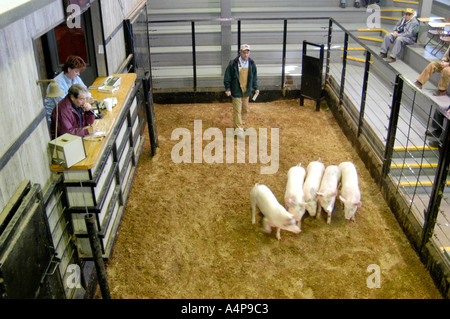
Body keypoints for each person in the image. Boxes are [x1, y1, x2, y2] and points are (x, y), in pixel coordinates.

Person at [44, 55, 93, 124]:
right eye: (76, 71)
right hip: (58, 118)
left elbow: (85, 92)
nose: (78, 74)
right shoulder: (57, 83)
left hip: (72, 113)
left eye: (79, 72)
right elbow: (65, 104)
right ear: (69, 69)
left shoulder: (76, 78)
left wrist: (89, 98)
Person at [224, 44, 259, 133]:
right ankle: (238, 130)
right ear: (240, 52)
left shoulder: (251, 64)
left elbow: (254, 77)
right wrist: (228, 88)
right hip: (236, 90)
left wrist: (256, 88)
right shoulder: (233, 64)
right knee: (237, 111)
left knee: (245, 110)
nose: (246, 55)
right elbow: (227, 76)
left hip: (246, 91)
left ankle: (242, 125)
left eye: (247, 52)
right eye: (244, 52)